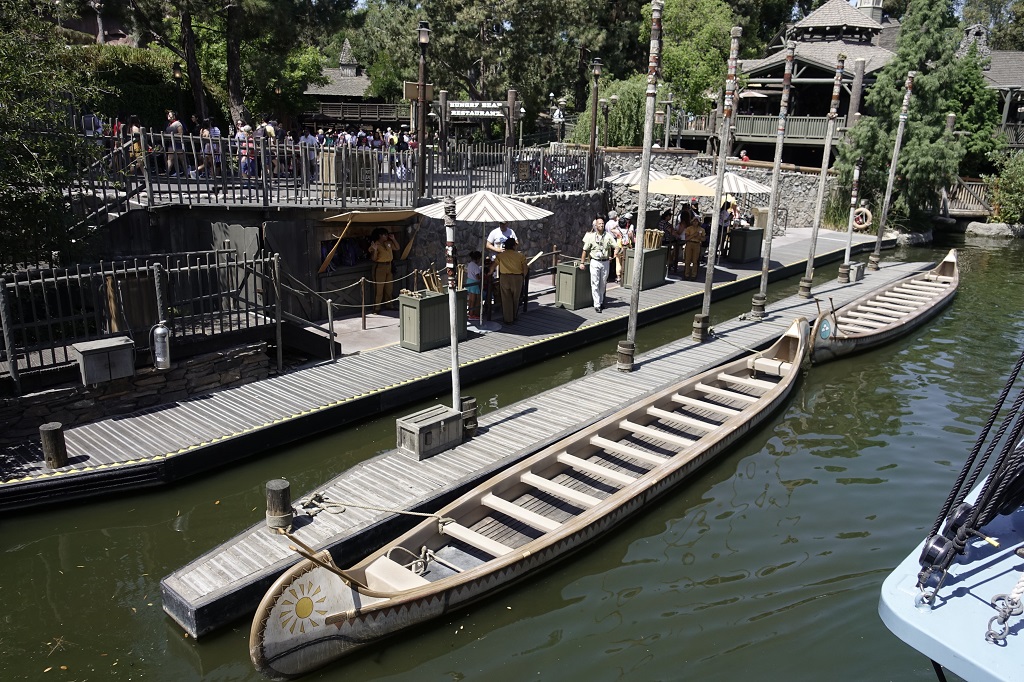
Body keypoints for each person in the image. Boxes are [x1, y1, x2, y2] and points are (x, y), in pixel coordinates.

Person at [579, 217, 617, 313]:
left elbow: (616, 246)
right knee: (595, 282)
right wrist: (582, 263)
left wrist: (615, 253)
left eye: (603, 224)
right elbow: (585, 250)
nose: (601, 225)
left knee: (603, 283)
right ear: (596, 226)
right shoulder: (591, 237)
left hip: (605, 261)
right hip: (595, 261)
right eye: (599, 224)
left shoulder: (608, 236)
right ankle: (597, 304)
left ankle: (600, 301)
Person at [489, 238, 528, 323]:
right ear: (514, 246)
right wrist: (522, 277)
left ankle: (508, 319)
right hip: (517, 278)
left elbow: (492, 267)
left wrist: (489, 273)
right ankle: (514, 316)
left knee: (506, 299)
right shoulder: (520, 256)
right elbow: (525, 268)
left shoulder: (500, 256)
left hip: (504, 277)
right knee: (516, 298)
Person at [368, 227, 400, 313]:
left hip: (389, 266)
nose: (386, 236)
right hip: (380, 267)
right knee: (379, 288)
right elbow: (374, 259)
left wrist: (393, 239)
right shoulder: (375, 245)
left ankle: (389, 305)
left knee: (389, 287)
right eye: (384, 234)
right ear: (380, 236)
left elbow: (397, 248)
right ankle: (377, 308)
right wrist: (374, 250)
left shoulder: (388, 243)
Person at [611, 212, 635, 283]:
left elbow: (611, 229)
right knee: (626, 261)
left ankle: (618, 277)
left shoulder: (617, 231)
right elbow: (632, 238)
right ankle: (626, 275)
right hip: (627, 247)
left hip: (619, 247)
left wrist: (617, 224)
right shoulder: (629, 231)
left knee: (618, 262)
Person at [164, 110, 186, 176]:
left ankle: (186, 172)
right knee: (170, 158)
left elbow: (181, 133)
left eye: (170, 115)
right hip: (171, 142)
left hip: (178, 143)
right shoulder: (169, 124)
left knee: (182, 159)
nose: (168, 116)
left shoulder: (178, 123)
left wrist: (172, 135)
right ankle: (167, 172)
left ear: (174, 116)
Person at [466, 250, 483, 321]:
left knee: (470, 299)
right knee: (475, 300)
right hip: (474, 283)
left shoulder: (470, 264)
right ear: (478, 258)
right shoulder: (476, 267)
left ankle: (470, 312)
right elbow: (477, 277)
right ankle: (472, 314)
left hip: (469, 281)